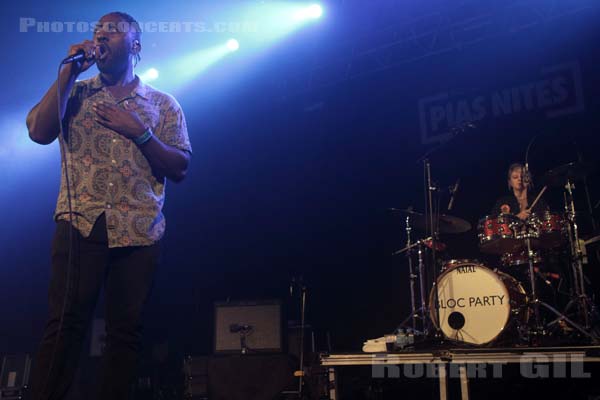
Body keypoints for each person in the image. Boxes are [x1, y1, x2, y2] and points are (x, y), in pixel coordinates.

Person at [25, 11, 192, 400]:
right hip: (80, 224)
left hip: (138, 232)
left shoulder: (163, 105)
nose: (101, 37)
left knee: (124, 333)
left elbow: (181, 167)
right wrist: (66, 73)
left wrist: (141, 132)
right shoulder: (76, 92)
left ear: (135, 47)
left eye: (113, 32)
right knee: (64, 325)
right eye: (97, 32)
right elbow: (38, 131)